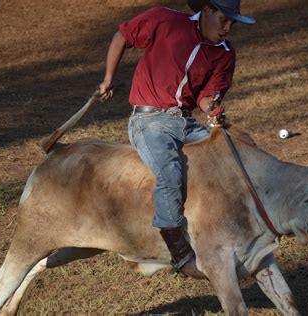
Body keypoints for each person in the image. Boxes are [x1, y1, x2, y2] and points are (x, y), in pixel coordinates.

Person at [99, 0, 255, 279]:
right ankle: (179, 252)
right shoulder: (164, 20)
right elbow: (122, 35)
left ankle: (232, 227)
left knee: (235, 152)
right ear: (207, 10)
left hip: (186, 123)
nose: (228, 28)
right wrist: (109, 78)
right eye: (223, 19)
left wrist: (214, 108)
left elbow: (205, 98)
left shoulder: (225, 54)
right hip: (148, 121)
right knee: (170, 171)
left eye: (233, 23)